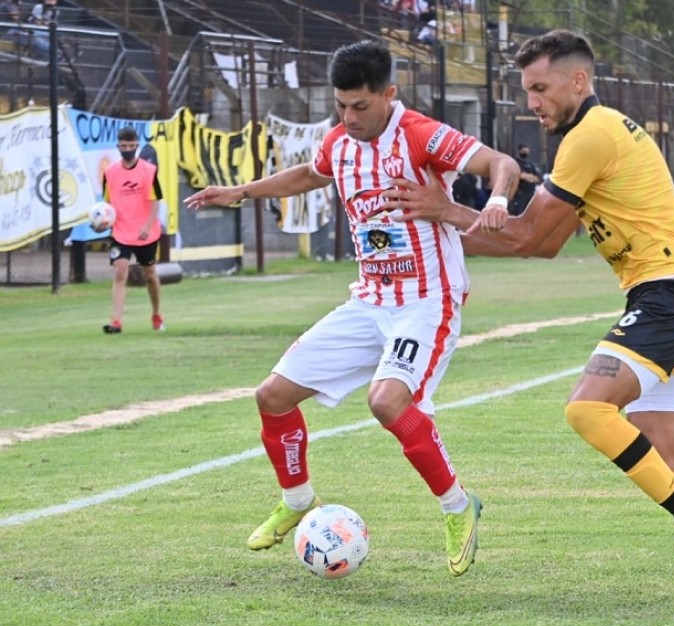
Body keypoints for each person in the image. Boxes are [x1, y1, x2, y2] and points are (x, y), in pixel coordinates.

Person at [385, 30, 674, 582]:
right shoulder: (594, 132)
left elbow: (528, 238)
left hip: (668, 291)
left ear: (578, 81)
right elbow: (543, 242)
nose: (533, 103)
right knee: (666, 458)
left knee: (586, 409)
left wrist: (444, 212)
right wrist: (439, 231)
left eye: (541, 89)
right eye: (527, 91)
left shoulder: (588, 137)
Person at [184, 40, 520, 577]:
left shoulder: (419, 135)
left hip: (426, 302)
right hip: (369, 300)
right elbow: (309, 174)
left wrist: (496, 201)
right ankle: (298, 502)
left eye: (360, 106)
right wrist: (242, 191)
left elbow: (500, 163)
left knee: (386, 401)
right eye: (340, 106)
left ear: (389, 94)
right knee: (272, 395)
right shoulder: (339, 141)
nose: (348, 117)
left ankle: (459, 506)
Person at [101, 126, 165, 334]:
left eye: (131, 145)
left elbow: (155, 201)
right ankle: (116, 321)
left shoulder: (148, 170)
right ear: (118, 146)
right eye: (123, 146)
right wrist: (104, 220)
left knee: (149, 274)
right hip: (120, 232)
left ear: (136, 146)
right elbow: (107, 204)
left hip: (144, 232)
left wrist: (147, 226)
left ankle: (156, 314)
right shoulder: (110, 172)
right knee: (120, 272)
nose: (127, 149)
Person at [510, 143, 542, 215]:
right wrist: (530, 177)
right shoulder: (515, 162)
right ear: (519, 151)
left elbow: (537, 178)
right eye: (524, 151)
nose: (525, 153)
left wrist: (528, 177)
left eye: (527, 151)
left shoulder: (530, 165)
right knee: (519, 213)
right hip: (520, 193)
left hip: (530, 193)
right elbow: (519, 175)